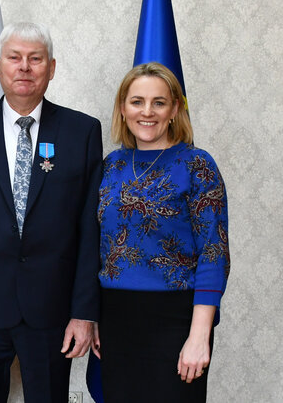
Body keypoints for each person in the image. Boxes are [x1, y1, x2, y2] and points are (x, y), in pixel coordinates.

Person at [0, 22, 103, 402]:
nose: (24, 67)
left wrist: (84, 312)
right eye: (14, 58)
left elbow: (89, 229)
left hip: (52, 308)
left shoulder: (82, 132)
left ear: (52, 67)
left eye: (35, 59)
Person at [94, 62, 230, 402]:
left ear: (174, 109)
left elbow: (214, 252)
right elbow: (97, 245)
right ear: (123, 108)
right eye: (137, 101)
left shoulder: (197, 165)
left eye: (159, 102)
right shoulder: (111, 166)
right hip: (115, 319)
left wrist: (199, 335)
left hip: (175, 320)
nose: (147, 112)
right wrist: (92, 315)